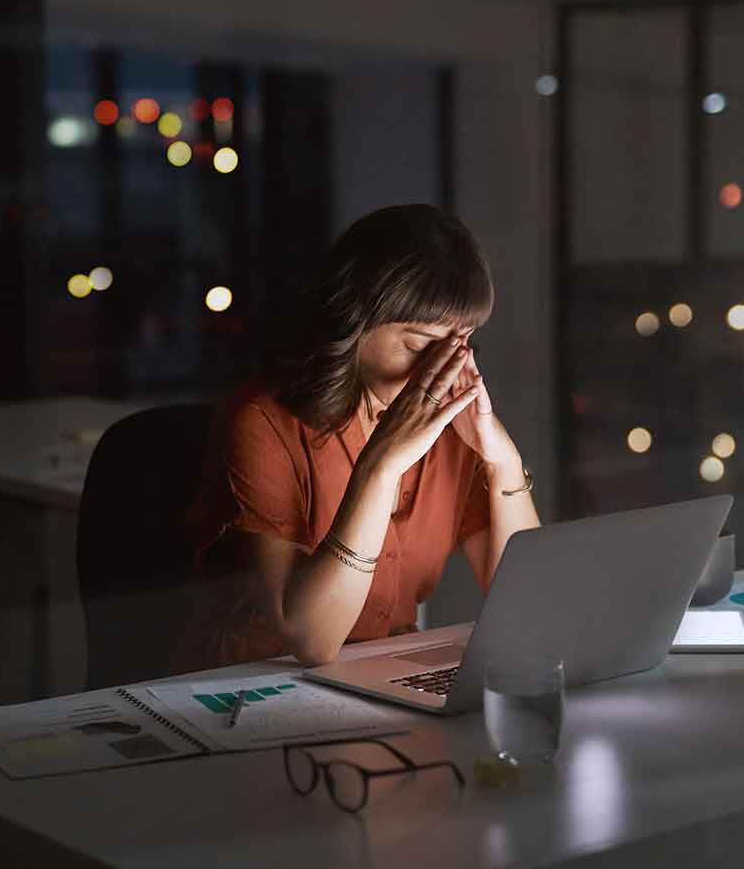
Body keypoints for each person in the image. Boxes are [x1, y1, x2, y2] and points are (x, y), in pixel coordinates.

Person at [184, 204, 540, 669]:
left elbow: (530, 604)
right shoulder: (262, 423)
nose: (445, 366)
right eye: (420, 344)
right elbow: (312, 641)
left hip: (381, 676)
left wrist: (503, 461)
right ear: (354, 321)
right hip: (254, 691)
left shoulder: (454, 433)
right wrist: (383, 464)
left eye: (463, 341)